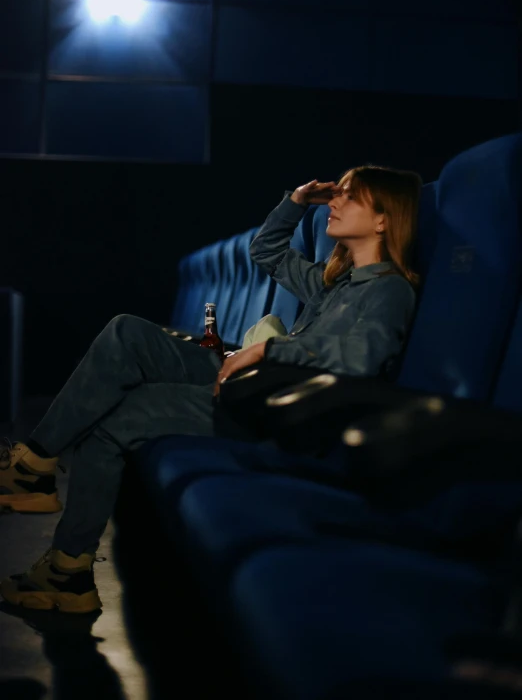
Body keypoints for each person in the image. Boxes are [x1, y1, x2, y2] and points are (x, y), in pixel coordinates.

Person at [0, 165, 422, 613]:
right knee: (126, 331)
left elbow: (362, 360)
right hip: (250, 382)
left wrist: (270, 351)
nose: (334, 202)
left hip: (276, 412)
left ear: (383, 220)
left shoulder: (390, 290)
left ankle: (67, 574)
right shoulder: (331, 285)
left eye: (349, 197)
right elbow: (266, 251)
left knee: (120, 416)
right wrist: (296, 202)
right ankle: (36, 460)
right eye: (336, 195)